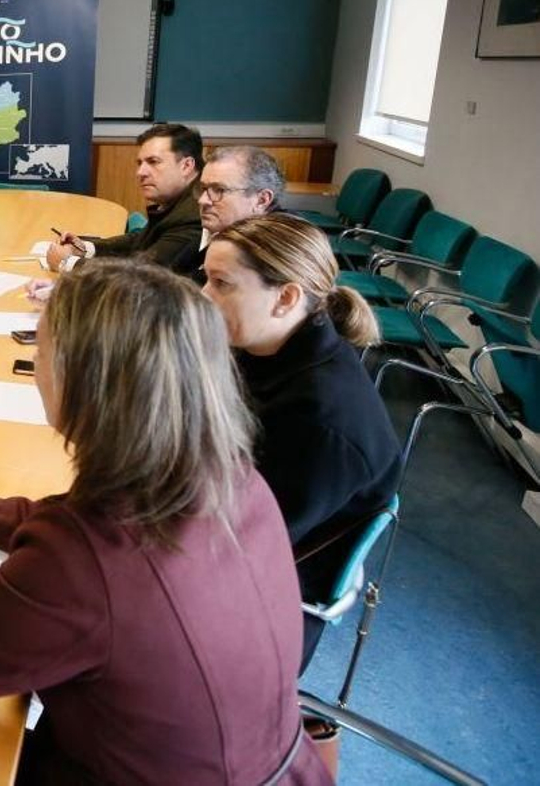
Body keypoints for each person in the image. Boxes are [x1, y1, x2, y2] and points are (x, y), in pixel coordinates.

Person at [0, 259, 329, 784]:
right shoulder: (234, 476)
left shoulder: (80, 560)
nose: (33, 361)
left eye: (39, 349)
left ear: (82, 379)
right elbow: (62, 519)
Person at [203, 214, 401, 670]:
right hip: (225, 543)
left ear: (286, 297)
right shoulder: (264, 351)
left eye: (221, 284)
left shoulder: (322, 420)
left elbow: (233, 543)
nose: (204, 296)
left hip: (255, 611)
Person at [45, 122, 204, 275]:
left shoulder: (195, 216)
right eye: (140, 163)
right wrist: (85, 248)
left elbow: (140, 279)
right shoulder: (179, 202)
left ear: (186, 166)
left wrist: (67, 263)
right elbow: (139, 242)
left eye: (153, 162)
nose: (141, 172)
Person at [184, 145, 287, 282]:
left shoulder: (273, 250)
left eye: (219, 190)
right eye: (203, 188)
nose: (203, 200)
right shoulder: (220, 228)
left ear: (261, 200)